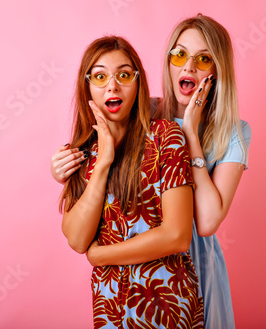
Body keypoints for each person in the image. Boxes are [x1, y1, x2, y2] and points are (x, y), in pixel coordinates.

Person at [52, 15, 251, 328]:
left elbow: (206, 221)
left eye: (203, 58)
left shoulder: (233, 133)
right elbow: (103, 162)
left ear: (217, 70)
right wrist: (63, 166)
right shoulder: (144, 112)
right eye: (179, 55)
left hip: (190, 263)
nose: (188, 67)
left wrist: (190, 136)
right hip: (124, 278)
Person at [60, 35, 204, 328]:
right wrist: (103, 165)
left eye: (123, 75)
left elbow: (177, 235)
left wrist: (101, 255)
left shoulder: (166, 136)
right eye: (100, 76)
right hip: (110, 308)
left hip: (169, 306)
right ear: (86, 86)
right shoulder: (81, 153)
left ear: (137, 83)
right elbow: (76, 239)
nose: (112, 85)